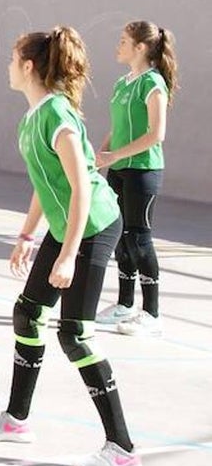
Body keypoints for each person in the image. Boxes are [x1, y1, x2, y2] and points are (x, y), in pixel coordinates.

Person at [0, 26, 141, 466]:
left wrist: (67, 254)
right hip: (68, 228)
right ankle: (16, 420)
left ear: (28, 66)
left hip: (95, 226)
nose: (7, 65)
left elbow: (81, 188)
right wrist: (26, 236)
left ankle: (121, 450)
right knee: (27, 313)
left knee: (75, 333)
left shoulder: (59, 116)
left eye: (12, 58)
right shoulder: (35, 114)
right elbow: (48, 183)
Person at [94, 21, 179, 337]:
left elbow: (157, 134)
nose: (118, 46)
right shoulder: (122, 83)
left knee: (139, 238)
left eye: (123, 41)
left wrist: (115, 156)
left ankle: (152, 313)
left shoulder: (153, 83)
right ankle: (125, 304)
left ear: (141, 47)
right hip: (118, 169)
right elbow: (117, 128)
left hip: (143, 170)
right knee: (121, 236)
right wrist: (99, 156)